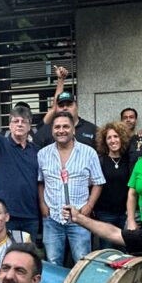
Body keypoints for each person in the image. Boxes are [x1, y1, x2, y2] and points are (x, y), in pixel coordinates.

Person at [37, 111, 104, 265]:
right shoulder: (42, 154)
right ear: (52, 130)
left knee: (82, 262)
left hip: (80, 218)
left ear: (73, 129)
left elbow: (98, 182)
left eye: (66, 126)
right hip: (52, 218)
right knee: (53, 263)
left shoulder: (89, 152)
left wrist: (89, 206)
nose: (61, 130)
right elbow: (40, 181)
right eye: (57, 127)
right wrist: (42, 204)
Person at [0, 80, 40, 237]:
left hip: (31, 216)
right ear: (9, 125)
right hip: (5, 216)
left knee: (27, 259)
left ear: (29, 126)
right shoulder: (0, 144)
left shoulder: (37, 151)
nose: (19, 124)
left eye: (24, 121)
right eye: (15, 121)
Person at [35, 66, 98, 150]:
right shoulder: (45, 131)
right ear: (56, 109)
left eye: (69, 104)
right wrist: (60, 80)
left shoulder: (92, 130)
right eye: (61, 105)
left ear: (77, 106)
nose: (65, 108)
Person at [94, 122, 131, 233]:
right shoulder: (99, 160)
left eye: (116, 136)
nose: (112, 140)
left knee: (125, 248)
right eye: (109, 137)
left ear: (122, 138)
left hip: (125, 213)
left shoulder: (129, 160)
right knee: (107, 249)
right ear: (105, 141)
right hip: (105, 214)